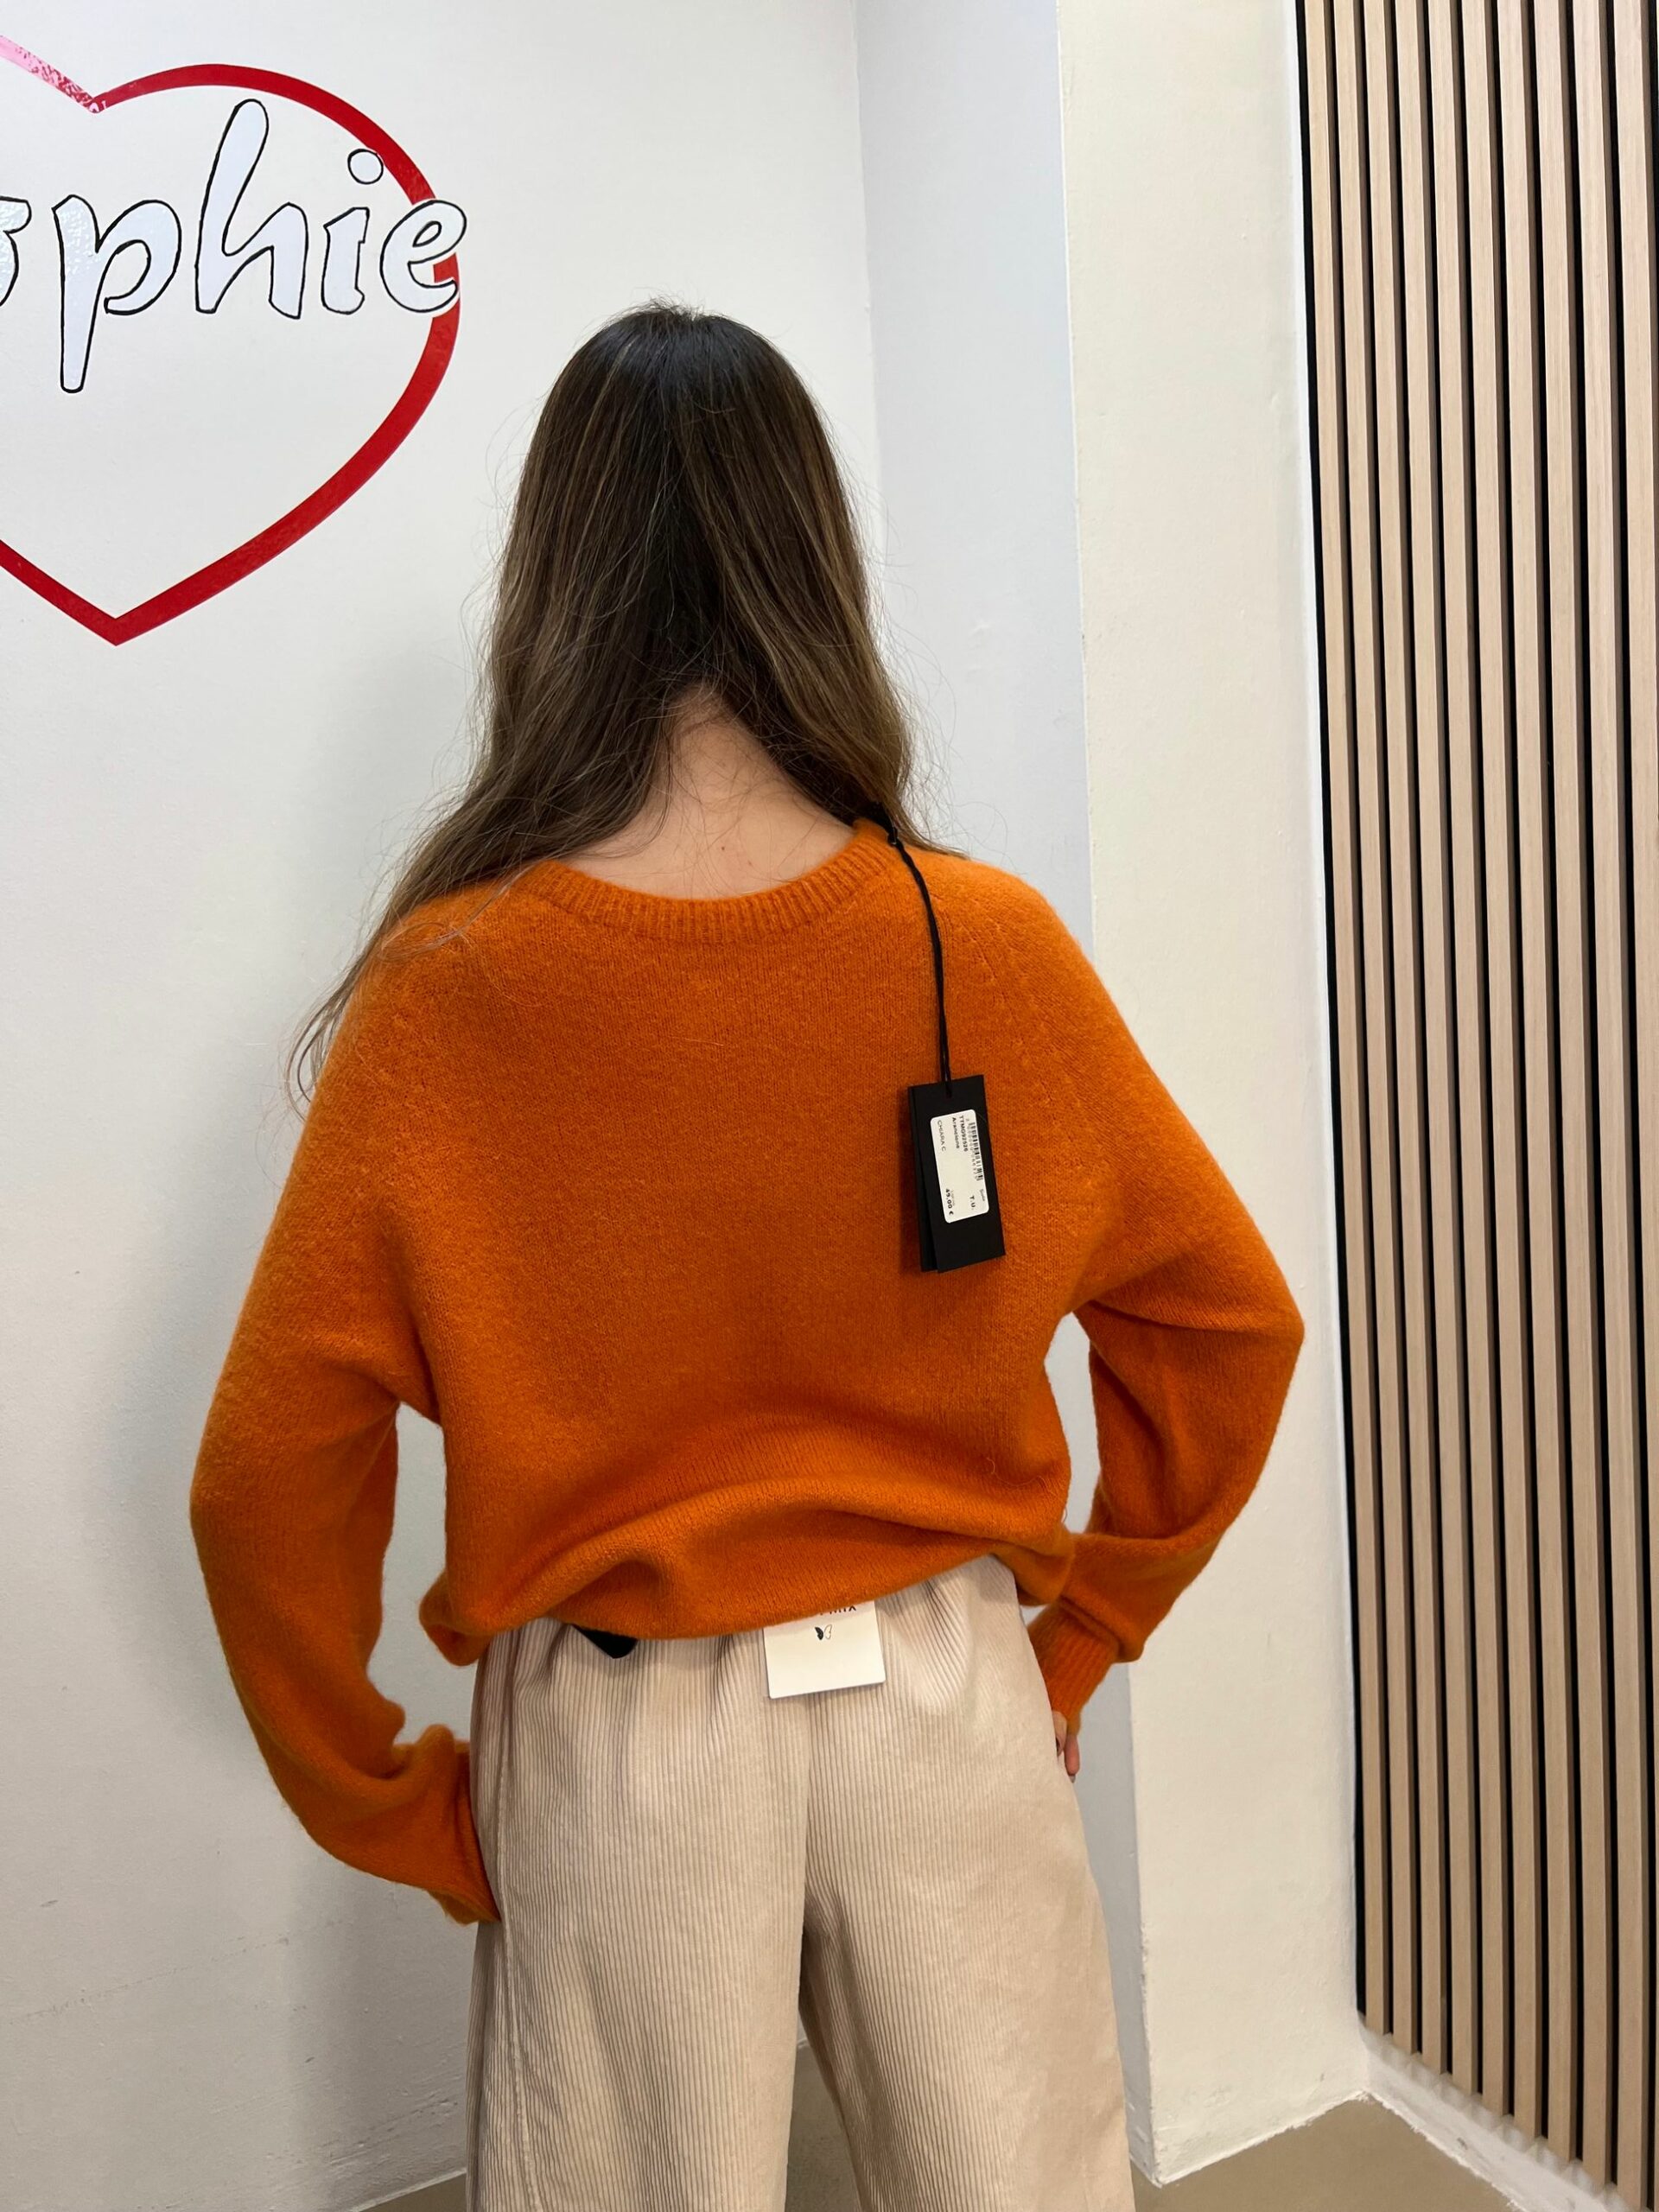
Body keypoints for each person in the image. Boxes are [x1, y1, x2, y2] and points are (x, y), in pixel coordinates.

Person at [189, 300, 1305, 2212]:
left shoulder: (449, 994)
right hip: (947, 1701)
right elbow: (1228, 1325)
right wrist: (1078, 1638)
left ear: (552, 585)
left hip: (628, 1741)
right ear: (814, 565)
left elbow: (263, 1474)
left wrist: (392, 1798)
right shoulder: (978, 942)